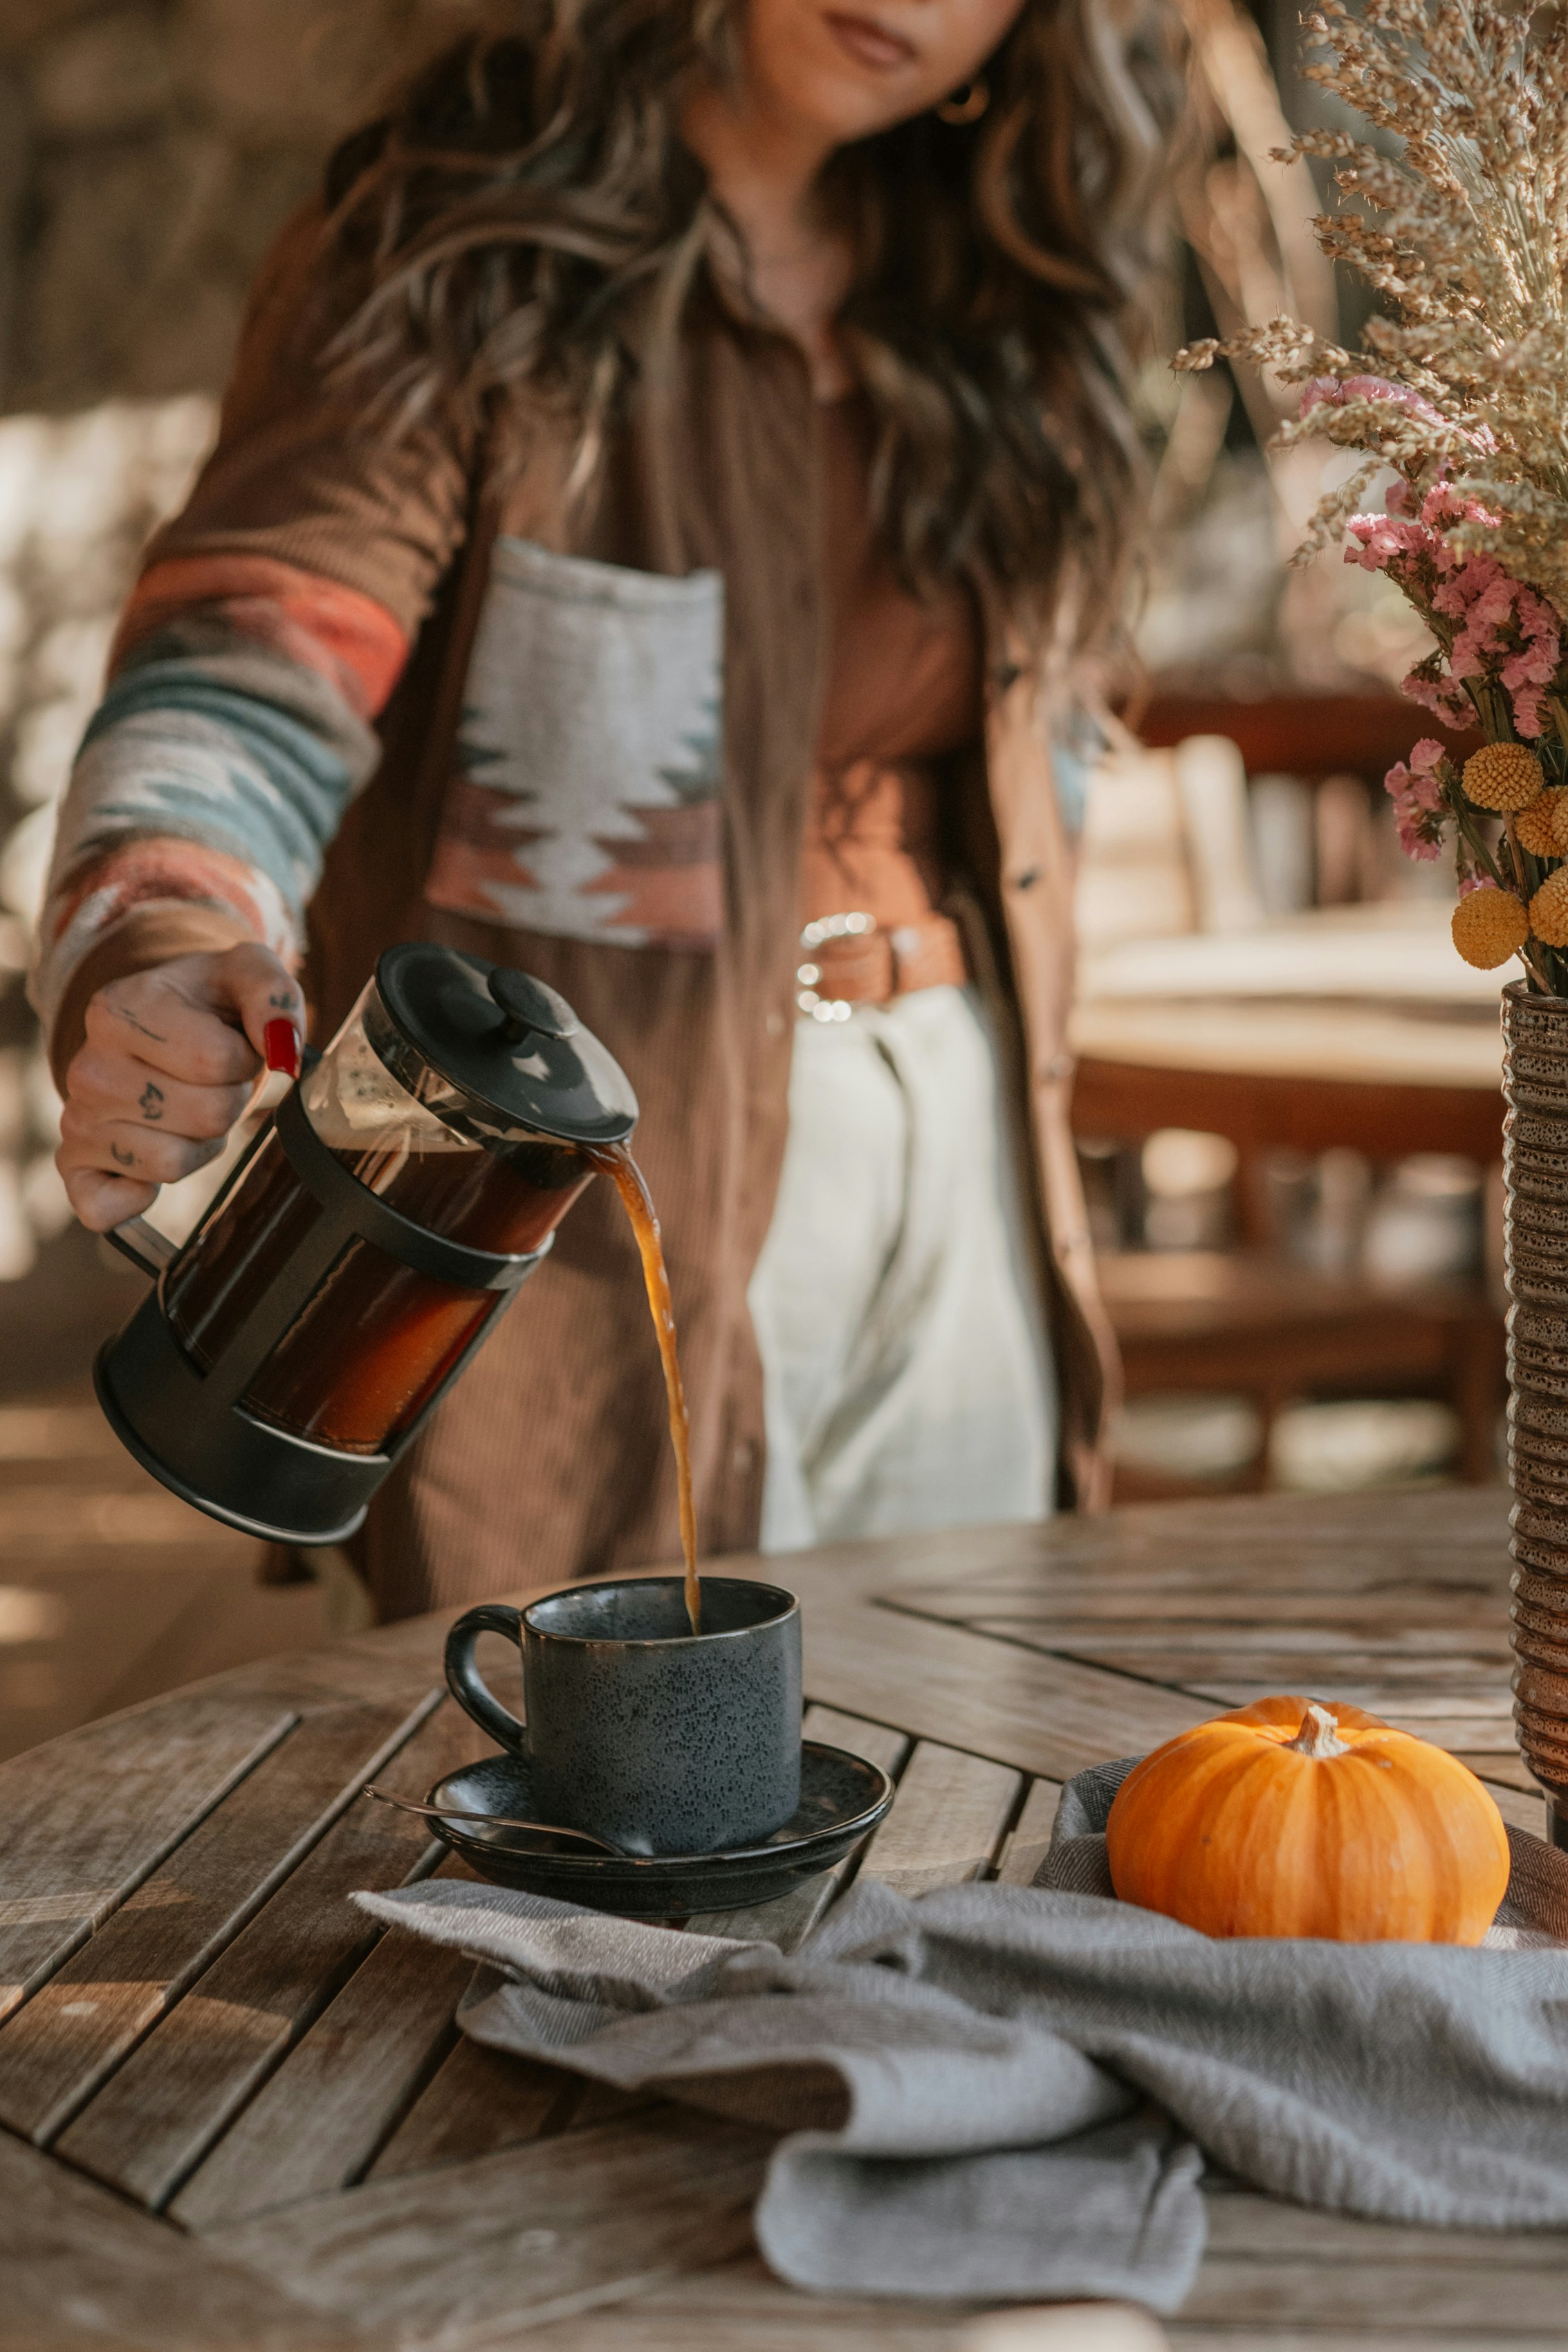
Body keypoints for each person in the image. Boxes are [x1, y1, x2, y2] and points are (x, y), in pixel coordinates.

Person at [37, 0, 1183, 1618]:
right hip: (594, 1202)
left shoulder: (1003, 302)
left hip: (963, 1143)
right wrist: (169, 922)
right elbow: (251, 660)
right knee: (597, 1804)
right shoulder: (455, 250)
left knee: (948, 1732)